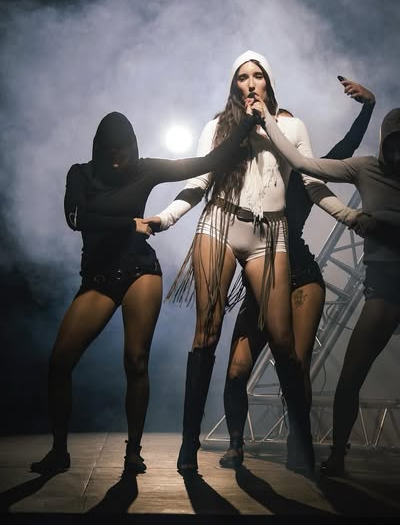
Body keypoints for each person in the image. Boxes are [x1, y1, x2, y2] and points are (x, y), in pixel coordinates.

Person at [143, 51, 359, 476]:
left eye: (257, 75)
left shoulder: (291, 127)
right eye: (242, 77)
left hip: (270, 232)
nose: (250, 83)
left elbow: (313, 181)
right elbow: (199, 182)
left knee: (282, 340)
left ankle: (302, 447)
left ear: (268, 83)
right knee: (207, 332)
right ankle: (189, 444)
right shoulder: (217, 127)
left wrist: (352, 217)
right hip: (220, 222)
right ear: (234, 85)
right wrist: (165, 218)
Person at [30, 109, 259, 475]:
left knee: (136, 361)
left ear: (132, 148)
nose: (117, 159)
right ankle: (59, 451)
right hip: (99, 278)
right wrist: (128, 224)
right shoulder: (81, 174)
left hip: (140, 271)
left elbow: (209, 162)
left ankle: (133, 451)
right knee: (60, 362)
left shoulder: (145, 169)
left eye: (123, 151)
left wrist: (246, 124)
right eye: (110, 152)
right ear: (99, 149)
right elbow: (76, 218)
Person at [249, 99, 400, 479]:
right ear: (384, 143)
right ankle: (337, 457)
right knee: (351, 375)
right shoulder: (365, 168)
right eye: (394, 142)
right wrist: (267, 119)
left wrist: (378, 218)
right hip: (385, 282)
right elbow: (304, 164)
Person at [218, 79, 376, 471]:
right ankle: (236, 444)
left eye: (287, 127)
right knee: (237, 368)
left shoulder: (305, 177)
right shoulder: (248, 174)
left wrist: (368, 108)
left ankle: (299, 444)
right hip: (259, 282)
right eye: (275, 124)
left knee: (298, 365)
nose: (281, 131)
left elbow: (345, 148)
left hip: (300, 275)